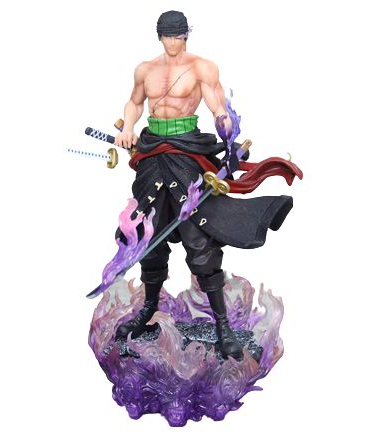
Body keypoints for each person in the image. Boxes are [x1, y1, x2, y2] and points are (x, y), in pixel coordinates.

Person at [114, 11, 297, 361]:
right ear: (159, 36)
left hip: (186, 154)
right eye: (168, 35)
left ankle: (223, 326)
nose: (173, 42)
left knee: (199, 241)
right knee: (148, 237)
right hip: (152, 155)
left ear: (187, 35)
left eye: (179, 35)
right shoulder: (145, 70)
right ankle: (148, 309)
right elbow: (135, 103)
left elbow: (217, 106)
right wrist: (128, 128)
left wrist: (226, 126)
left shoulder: (202, 68)